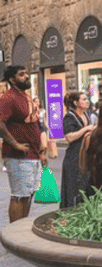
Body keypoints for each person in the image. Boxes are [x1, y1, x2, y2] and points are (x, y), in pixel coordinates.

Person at [0, 66, 46, 223]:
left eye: (26, 73)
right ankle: (14, 233)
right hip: (18, 156)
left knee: (29, 193)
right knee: (20, 196)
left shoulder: (25, 97)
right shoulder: (8, 97)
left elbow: (35, 124)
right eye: (22, 74)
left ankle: (21, 228)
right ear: (12, 80)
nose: (26, 76)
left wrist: (42, 151)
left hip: (33, 154)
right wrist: (15, 144)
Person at [60, 92, 95, 209]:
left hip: (86, 155)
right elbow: (69, 137)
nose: (87, 101)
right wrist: (86, 129)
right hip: (74, 157)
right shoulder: (69, 117)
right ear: (76, 103)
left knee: (85, 186)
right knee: (73, 187)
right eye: (84, 99)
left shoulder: (88, 115)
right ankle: (71, 213)